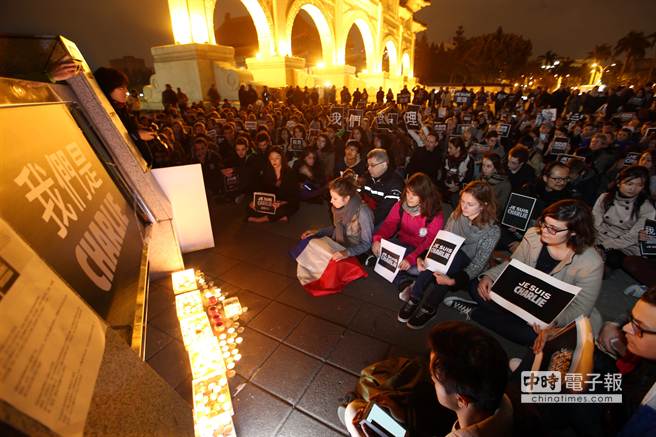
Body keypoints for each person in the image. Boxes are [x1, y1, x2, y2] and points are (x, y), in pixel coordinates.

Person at [448, 199, 603, 346]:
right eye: (544, 223)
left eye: (553, 229)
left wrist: (552, 322)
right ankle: (505, 317)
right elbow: (514, 264)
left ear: (574, 232)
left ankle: (476, 313)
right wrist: (490, 276)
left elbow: (582, 308)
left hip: (549, 310)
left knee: (534, 336)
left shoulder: (591, 263)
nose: (544, 230)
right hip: (519, 292)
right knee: (477, 286)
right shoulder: (533, 235)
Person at [340, 321, 513, 437]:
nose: (431, 380)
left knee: (352, 411)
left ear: (461, 400)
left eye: (435, 381)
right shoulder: (509, 400)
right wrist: (401, 415)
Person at [398, 181, 500, 329]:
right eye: (462, 201)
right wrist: (424, 257)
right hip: (451, 252)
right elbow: (442, 241)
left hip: (467, 263)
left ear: (483, 205)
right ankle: (415, 296)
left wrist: (453, 281)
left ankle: (430, 305)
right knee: (436, 259)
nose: (464, 206)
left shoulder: (492, 231)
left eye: (470, 204)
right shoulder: (457, 214)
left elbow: (477, 264)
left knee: (455, 260)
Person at [371, 173, 445, 291]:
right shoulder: (401, 205)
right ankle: (404, 283)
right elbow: (389, 224)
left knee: (410, 268)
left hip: (420, 251)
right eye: (408, 193)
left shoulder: (434, 214)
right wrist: (378, 239)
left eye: (414, 195)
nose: (409, 198)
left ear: (424, 196)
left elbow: (429, 241)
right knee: (380, 251)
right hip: (402, 243)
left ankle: (400, 273)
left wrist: (411, 258)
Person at [593, 165, 655, 269]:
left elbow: (633, 237)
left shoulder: (646, 207)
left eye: (639, 185)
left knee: (613, 259)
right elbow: (594, 222)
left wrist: (603, 246)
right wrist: (592, 242)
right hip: (600, 235)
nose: (633, 188)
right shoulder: (605, 197)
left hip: (623, 244)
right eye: (629, 183)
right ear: (619, 183)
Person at [301, 173, 374, 260]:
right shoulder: (339, 207)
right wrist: (318, 232)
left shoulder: (363, 213)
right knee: (308, 245)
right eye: (331, 197)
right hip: (338, 244)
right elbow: (337, 227)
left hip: (353, 252)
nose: (331, 201)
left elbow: (366, 244)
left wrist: (347, 252)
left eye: (335, 198)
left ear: (346, 198)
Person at [94, 67, 155, 166]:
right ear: (108, 89)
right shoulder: (103, 112)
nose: (126, 91)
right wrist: (137, 135)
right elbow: (110, 139)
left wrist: (141, 129)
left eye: (126, 87)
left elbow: (127, 129)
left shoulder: (121, 108)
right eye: (121, 88)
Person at [247, 147, 299, 223]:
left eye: (277, 158)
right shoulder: (267, 171)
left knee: (285, 209)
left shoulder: (290, 173)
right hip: (271, 201)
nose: (274, 161)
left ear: (282, 158)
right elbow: (262, 189)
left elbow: (293, 196)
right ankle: (280, 218)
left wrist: (280, 203)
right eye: (271, 158)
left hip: (285, 201)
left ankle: (262, 219)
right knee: (249, 207)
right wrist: (255, 201)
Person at [361, 148, 404, 226]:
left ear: (384, 164)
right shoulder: (367, 177)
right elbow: (359, 196)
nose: (369, 168)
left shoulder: (395, 183)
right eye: (368, 165)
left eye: (372, 165)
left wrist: (364, 220)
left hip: (384, 223)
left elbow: (384, 212)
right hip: (365, 216)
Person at [479, 152, 511, 217]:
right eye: (483, 165)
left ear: (496, 168)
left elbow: (500, 208)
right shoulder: (482, 178)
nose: (484, 168)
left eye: (488, 166)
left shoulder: (505, 184)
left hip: (491, 216)